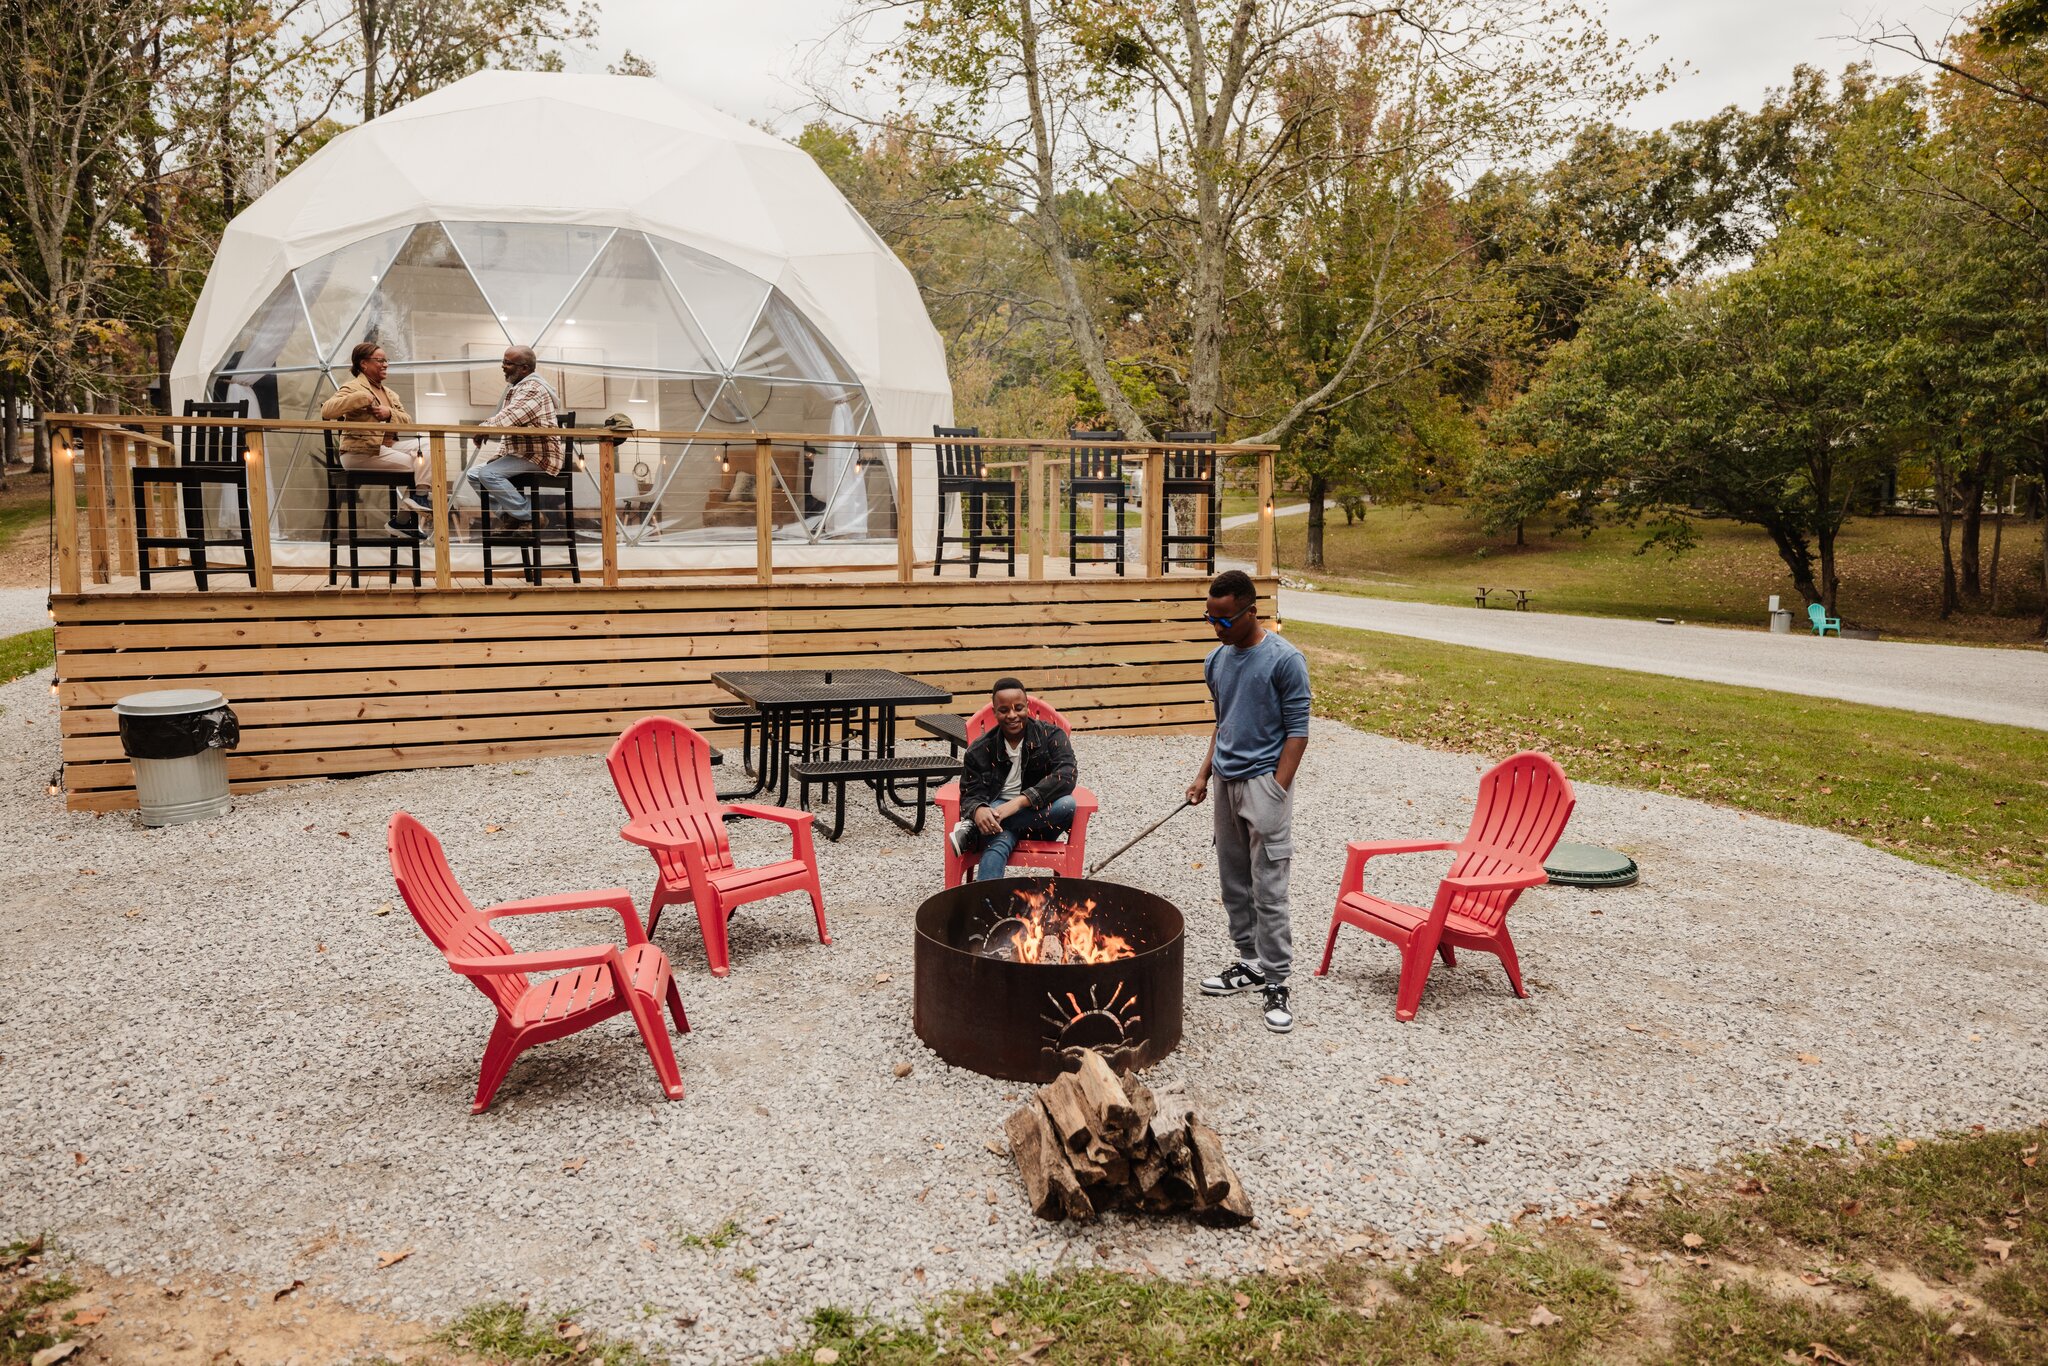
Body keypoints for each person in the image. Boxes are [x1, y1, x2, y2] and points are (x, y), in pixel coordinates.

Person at [1185, 568, 1310, 1033]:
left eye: (1224, 620)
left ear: (1251, 612)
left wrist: (1277, 789)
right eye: (1209, 618)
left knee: (1268, 886)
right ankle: (1250, 962)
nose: (1216, 628)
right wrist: (1203, 775)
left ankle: (1277, 981)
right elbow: (1222, 723)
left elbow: (1298, 731)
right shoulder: (1215, 661)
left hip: (1263, 783)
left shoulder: (1285, 660)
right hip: (1225, 781)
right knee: (1234, 882)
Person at [949, 677, 1079, 882]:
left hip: (1039, 821)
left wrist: (1018, 803)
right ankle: (985, 902)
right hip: (996, 822)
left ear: (1027, 707)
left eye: (1018, 708)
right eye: (1004, 710)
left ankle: (974, 829)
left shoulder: (1051, 735)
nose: (1012, 715)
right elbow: (970, 791)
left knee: (1067, 805)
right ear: (994, 712)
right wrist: (978, 810)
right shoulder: (980, 749)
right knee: (998, 843)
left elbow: (1067, 775)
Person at [321, 342, 432, 537]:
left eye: (386, 360)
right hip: (360, 452)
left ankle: (418, 499)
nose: (385, 364)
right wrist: (361, 397)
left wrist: (389, 413)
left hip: (388, 448)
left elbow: (407, 421)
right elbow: (327, 410)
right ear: (363, 364)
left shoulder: (390, 394)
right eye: (380, 360)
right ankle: (403, 519)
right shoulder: (353, 387)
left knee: (428, 446)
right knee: (419, 466)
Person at [464, 345, 563, 529]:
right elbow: (509, 432)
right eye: (503, 362)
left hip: (539, 455)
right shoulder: (518, 388)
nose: (503, 366)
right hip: (521, 454)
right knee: (474, 475)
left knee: (488, 473)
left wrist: (484, 428)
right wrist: (498, 455)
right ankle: (511, 516)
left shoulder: (533, 388)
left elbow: (510, 417)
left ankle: (530, 516)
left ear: (524, 368)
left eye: (508, 363)